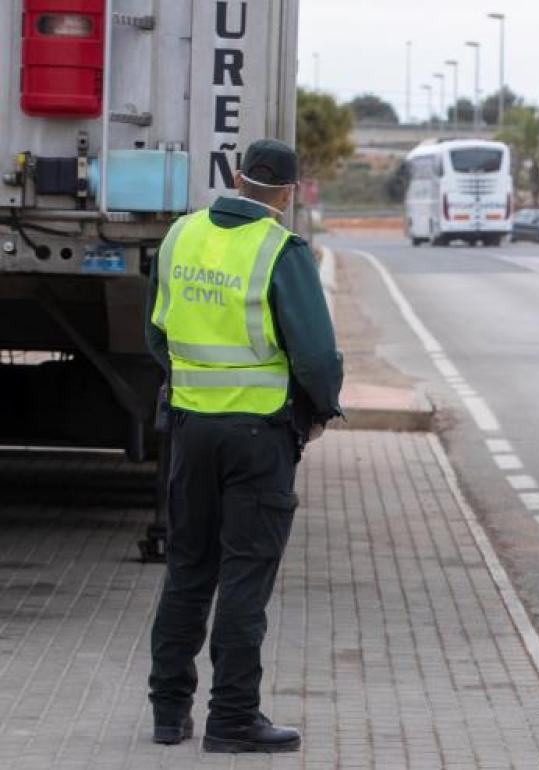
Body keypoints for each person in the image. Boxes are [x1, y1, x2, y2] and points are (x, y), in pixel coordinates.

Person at [144, 139, 343, 754]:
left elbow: (158, 332)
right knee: (244, 580)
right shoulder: (281, 250)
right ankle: (232, 719)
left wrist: (192, 387)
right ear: (285, 195)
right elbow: (314, 357)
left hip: (190, 431)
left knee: (187, 570)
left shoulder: (181, 236)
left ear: (234, 178)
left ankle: (169, 713)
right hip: (258, 437)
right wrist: (318, 413)